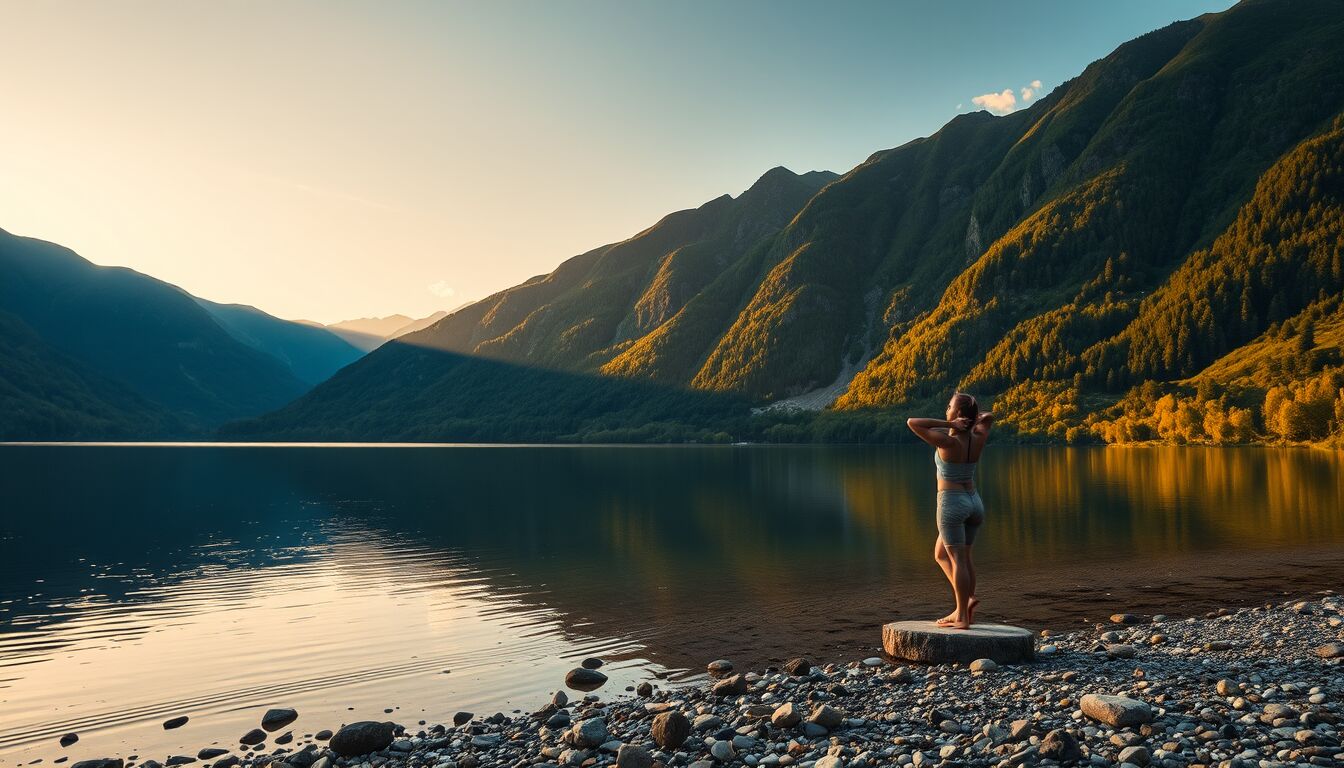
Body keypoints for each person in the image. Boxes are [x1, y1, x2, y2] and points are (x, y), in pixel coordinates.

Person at [906, 392, 993, 630]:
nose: (946, 409)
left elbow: (912, 422)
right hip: (974, 501)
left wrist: (949, 425)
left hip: (952, 503)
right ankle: (967, 601)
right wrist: (974, 419)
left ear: (957, 415)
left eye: (949, 407)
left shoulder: (948, 441)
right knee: (943, 555)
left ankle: (963, 617)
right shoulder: (978, 436)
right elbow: (989, 416)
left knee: (957, 560)